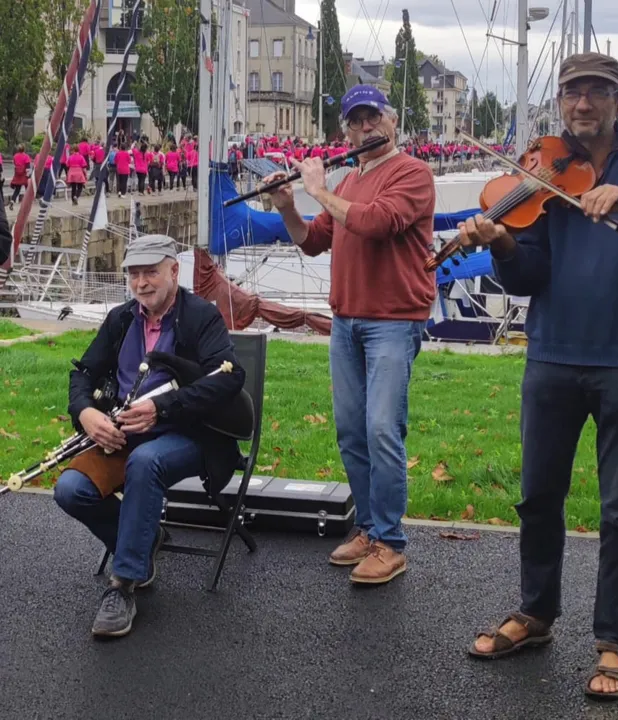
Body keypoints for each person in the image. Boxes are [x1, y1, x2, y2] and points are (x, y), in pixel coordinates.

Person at [457, 52, 618, 699]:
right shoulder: (542, 170)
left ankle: (614, 642)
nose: (582, 104)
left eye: (597, 92)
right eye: (572, 92)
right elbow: (528, 277)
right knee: (538, 496)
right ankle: (536, 613)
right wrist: (502, 242)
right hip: (553, 354)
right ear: (561, 100)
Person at [263, 85, 436, 585]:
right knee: (352, 431)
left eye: (373, 117)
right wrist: (288, 205)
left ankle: (391, 542)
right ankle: (368, 527)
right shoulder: (349, 180)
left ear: (393, 120)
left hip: (393, 320)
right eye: (356, 121)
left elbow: (379, 223)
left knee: (382, 429)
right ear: (347, 131)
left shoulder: (412, 173)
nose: (366, 127)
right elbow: (312, 240)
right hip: (347, 321)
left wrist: (319, 191)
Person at [53, 235, 246, 638]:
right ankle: (145, 538)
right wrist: (85, 412)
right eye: (134, 274)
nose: (141, 283)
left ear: (174, 271)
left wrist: (163, 408)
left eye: (151, 273)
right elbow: (83, 373)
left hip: (191, 434)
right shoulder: (122, 318)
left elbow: (228, 378)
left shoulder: (201, 317)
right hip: (126, 435)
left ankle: (124, 584)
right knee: (70, 490)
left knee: (146, 463)